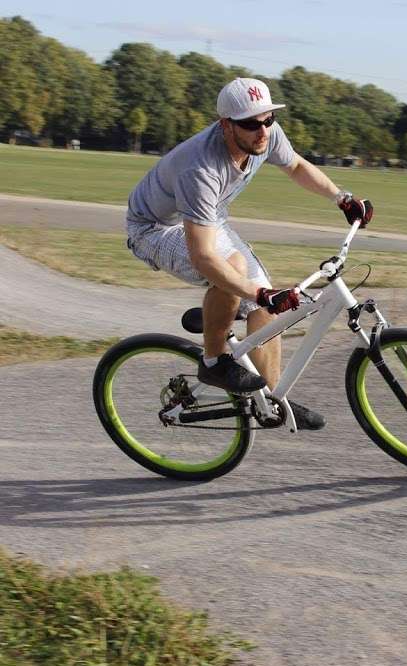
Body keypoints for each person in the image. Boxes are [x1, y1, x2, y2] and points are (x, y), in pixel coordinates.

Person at [124, 77, 372, 430]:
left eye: (268, 119)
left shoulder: (265, 135)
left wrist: (343, 198)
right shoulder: (201, 168)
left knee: (262, 308)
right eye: (251, 123)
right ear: (226, 124)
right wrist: (258, 292)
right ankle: (213, 362)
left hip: (209, 218)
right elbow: (203, 257)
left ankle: (273, 401)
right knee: (235, 272)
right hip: (153, 228)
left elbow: (297, 166)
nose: (262, 130)